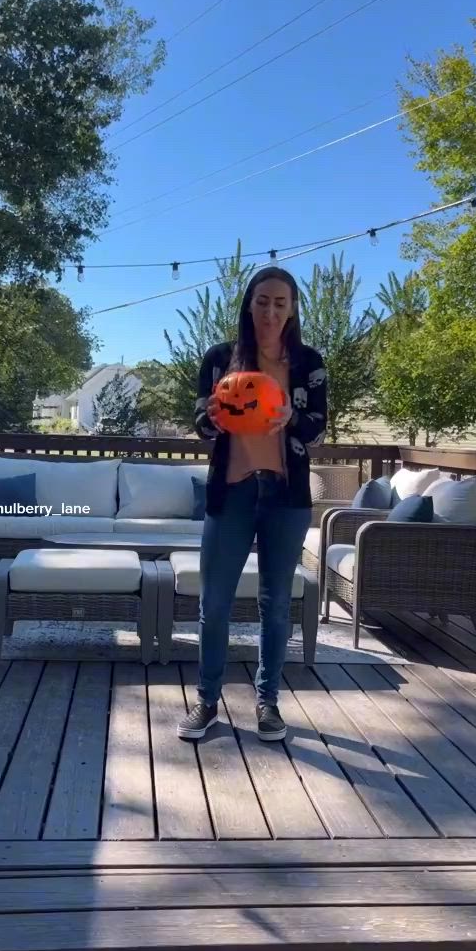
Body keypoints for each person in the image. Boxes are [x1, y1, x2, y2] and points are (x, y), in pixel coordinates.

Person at [177, 266, 327, 742]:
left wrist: (291, 417)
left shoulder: (308, 362)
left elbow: (318, 427)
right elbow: (201, 417)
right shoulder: (221, 359)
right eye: (262, 301)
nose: (270, 310)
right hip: (232, 491)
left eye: (280, 303)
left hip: (285, 495)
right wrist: (213, 419)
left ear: (293, 308)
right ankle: (207, 700)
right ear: (249, 304)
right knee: (214, 602)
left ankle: (268, 703)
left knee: (276, 604)